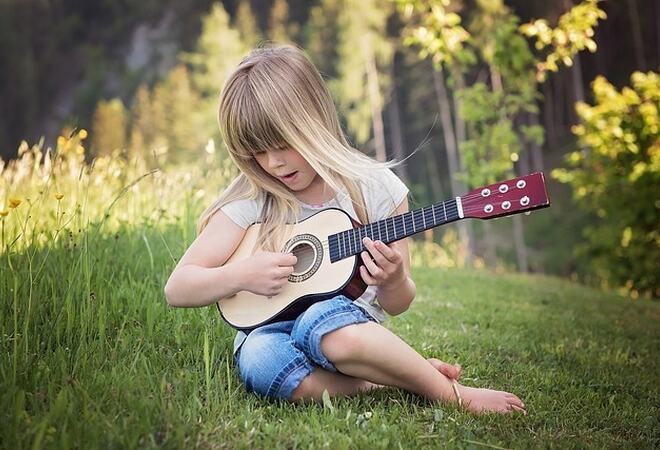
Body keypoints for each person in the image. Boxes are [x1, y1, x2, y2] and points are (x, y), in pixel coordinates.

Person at [163, 43, 526, 415]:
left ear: (313, 120)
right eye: (257, 151)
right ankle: (389, 378)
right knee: (257, 359)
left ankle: (452, 394)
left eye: (283, 143)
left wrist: (393, 280)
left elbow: (397, 304)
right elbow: (178, 288)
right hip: (270, 330)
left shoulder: (374, 187)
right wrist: (240, 275)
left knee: (321, 322)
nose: (273, 163)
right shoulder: (253, 199)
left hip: (346, 329)